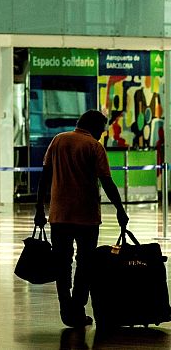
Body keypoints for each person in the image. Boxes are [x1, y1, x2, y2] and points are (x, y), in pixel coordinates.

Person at [35, 109, 129, 328]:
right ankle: (77, 309)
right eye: (102, 129)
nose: (102, 134)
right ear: (95, 127)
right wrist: (119, 209)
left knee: (61, 263)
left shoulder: (58, 140)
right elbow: (106, 182)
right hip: (86, 217)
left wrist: (40, 208)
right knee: (85, 264)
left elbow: (45, 177)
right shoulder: (94, 147)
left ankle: (66, 309)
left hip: (59, 216)